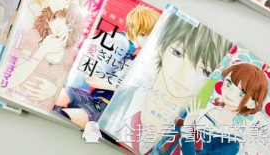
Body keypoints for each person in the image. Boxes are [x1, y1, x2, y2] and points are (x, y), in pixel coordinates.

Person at [98, 12, 232, 154]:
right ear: (162, 46)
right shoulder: (124, 96)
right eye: (178, 53)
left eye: (205, 71)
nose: (183, 75)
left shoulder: (198, 135)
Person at [54, 5, 160, 128]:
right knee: (60, 109)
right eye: (151, 34)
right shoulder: (122, 43)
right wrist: (124, 86)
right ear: (142, 32)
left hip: (89, 95)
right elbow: (92, 78)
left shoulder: (125, 45)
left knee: (61, 112)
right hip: (82, 88)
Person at [4, 0, 84, 111]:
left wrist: (54, 90)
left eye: (69, 3)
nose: (65, 6)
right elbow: (9, 77)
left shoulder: (66, 45)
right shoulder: (29, 19)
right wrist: (43, 50)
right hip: (14, 95)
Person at [154, 62, 269, 154]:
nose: (230, 91)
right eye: (229, 83)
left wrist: (187, 129)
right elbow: (169, 140)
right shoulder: (204, 111)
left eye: (242, 93)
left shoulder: (233, 142)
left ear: (252, 104)